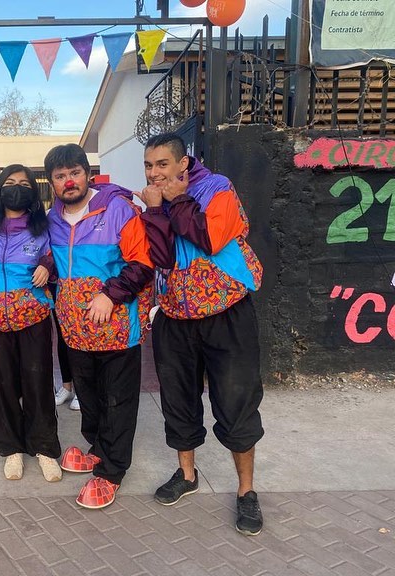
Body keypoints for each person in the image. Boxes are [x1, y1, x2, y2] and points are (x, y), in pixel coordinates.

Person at [138, 132, 265, 536]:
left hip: (226, 314)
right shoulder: (156, 200)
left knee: (237, 403)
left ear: (183, 163)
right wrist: (154, 211)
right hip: (175, 318)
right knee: (178, 401)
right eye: (149, 166)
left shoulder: (217, 188)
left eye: (162, 164)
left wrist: (176, 201)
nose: (154, 173)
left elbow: (209, 238)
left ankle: (246, 491)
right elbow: (160, 256)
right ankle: (187, 474)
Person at [45, 143, 166, 509]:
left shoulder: (118, 210)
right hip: (75, 331)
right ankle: (98, 449)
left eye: (75, 173)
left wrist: (110, 296)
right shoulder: (52, 218)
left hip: (116, 329)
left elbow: (142, 264)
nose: (69, 181)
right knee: (90, 397)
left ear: (88, 174)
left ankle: (112, 471)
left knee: (117, 401)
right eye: (60, 176)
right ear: (51, 182)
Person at [0, 163, 62, 482]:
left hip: (33, 315)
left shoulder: (42, 225)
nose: (17, 189)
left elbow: (57, 253)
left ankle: (44, 448)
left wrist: (46, 264)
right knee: (3, 383)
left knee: (38, 380)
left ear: (33, 192)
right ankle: (11, 448)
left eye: (24, 184)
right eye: (10, 182)